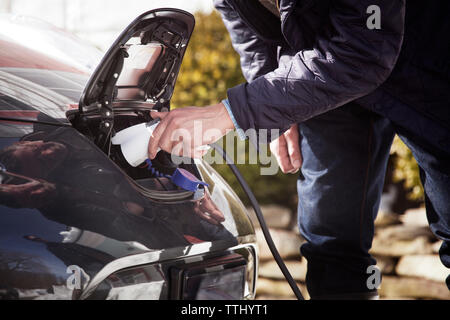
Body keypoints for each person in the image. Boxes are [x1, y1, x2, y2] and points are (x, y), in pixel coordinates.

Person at [148, 0, 450, 299]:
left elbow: (365, 47)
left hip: (425, 58)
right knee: (330, 238)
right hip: (321, 73)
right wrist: (274, 110)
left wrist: (231, 113)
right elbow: (250, 32)